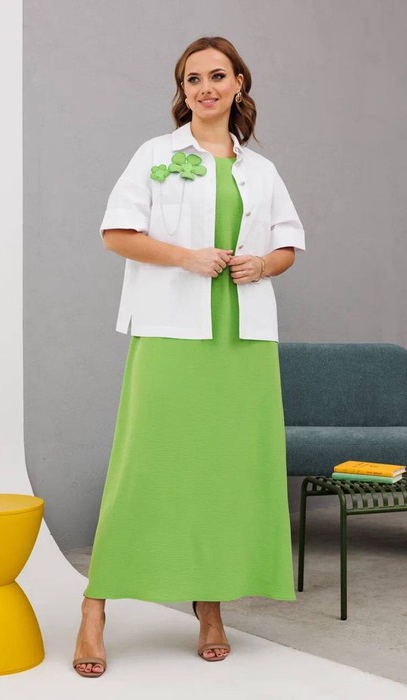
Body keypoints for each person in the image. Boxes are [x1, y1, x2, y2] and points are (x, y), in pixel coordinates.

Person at [73, 35, 306, 677]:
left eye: (217, 76)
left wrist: (264, 265)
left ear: (238, 83)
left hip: (241, 340)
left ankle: (210, 606)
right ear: (182, 91)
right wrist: (186, 257)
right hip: (171, 332)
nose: (205, 88)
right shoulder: (156, 155)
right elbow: (116, 234)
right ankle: (95, 604)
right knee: (146, 467)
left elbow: (289, 244)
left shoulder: (262, 170)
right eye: (192, 79)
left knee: (223, 472)